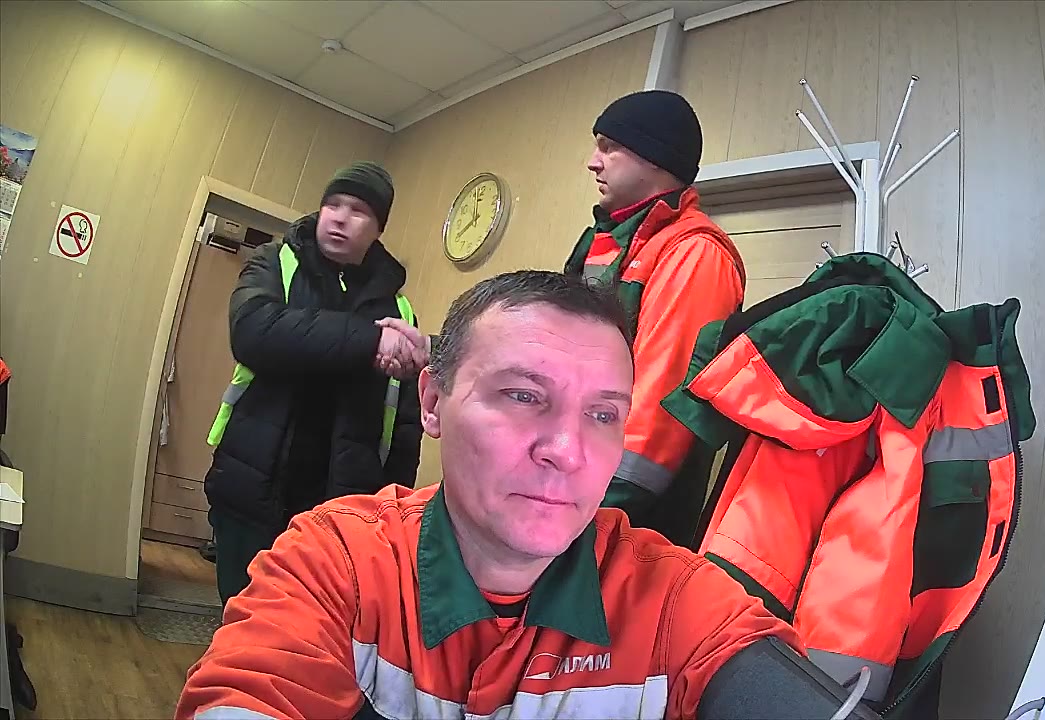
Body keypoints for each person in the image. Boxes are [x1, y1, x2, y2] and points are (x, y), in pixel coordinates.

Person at [176, 271, 859, 720]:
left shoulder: (673, 598)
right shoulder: (341, 559)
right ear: (433, 401)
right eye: (524, 396)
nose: (567, 449)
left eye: (603, 414)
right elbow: (251, 691)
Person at [202, 161, 429, 606]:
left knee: (307, 624)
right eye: (333, 204)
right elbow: (253, 331)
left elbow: (405, 426)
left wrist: (392, 513)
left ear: (378, 229)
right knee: (240, 614)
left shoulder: (400, 311)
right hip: (253, 487)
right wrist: (369, 340)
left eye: (358, 210)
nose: (340, 218)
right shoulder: (275, 262)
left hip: (339, 510)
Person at [564, 90, 746, 547]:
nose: (593, 162)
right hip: (570, 489)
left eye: (609, 147)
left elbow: (659, 414)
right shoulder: (608, 243)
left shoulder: (695, 253)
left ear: (653, 156)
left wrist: (582, 523)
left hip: (622, 524)